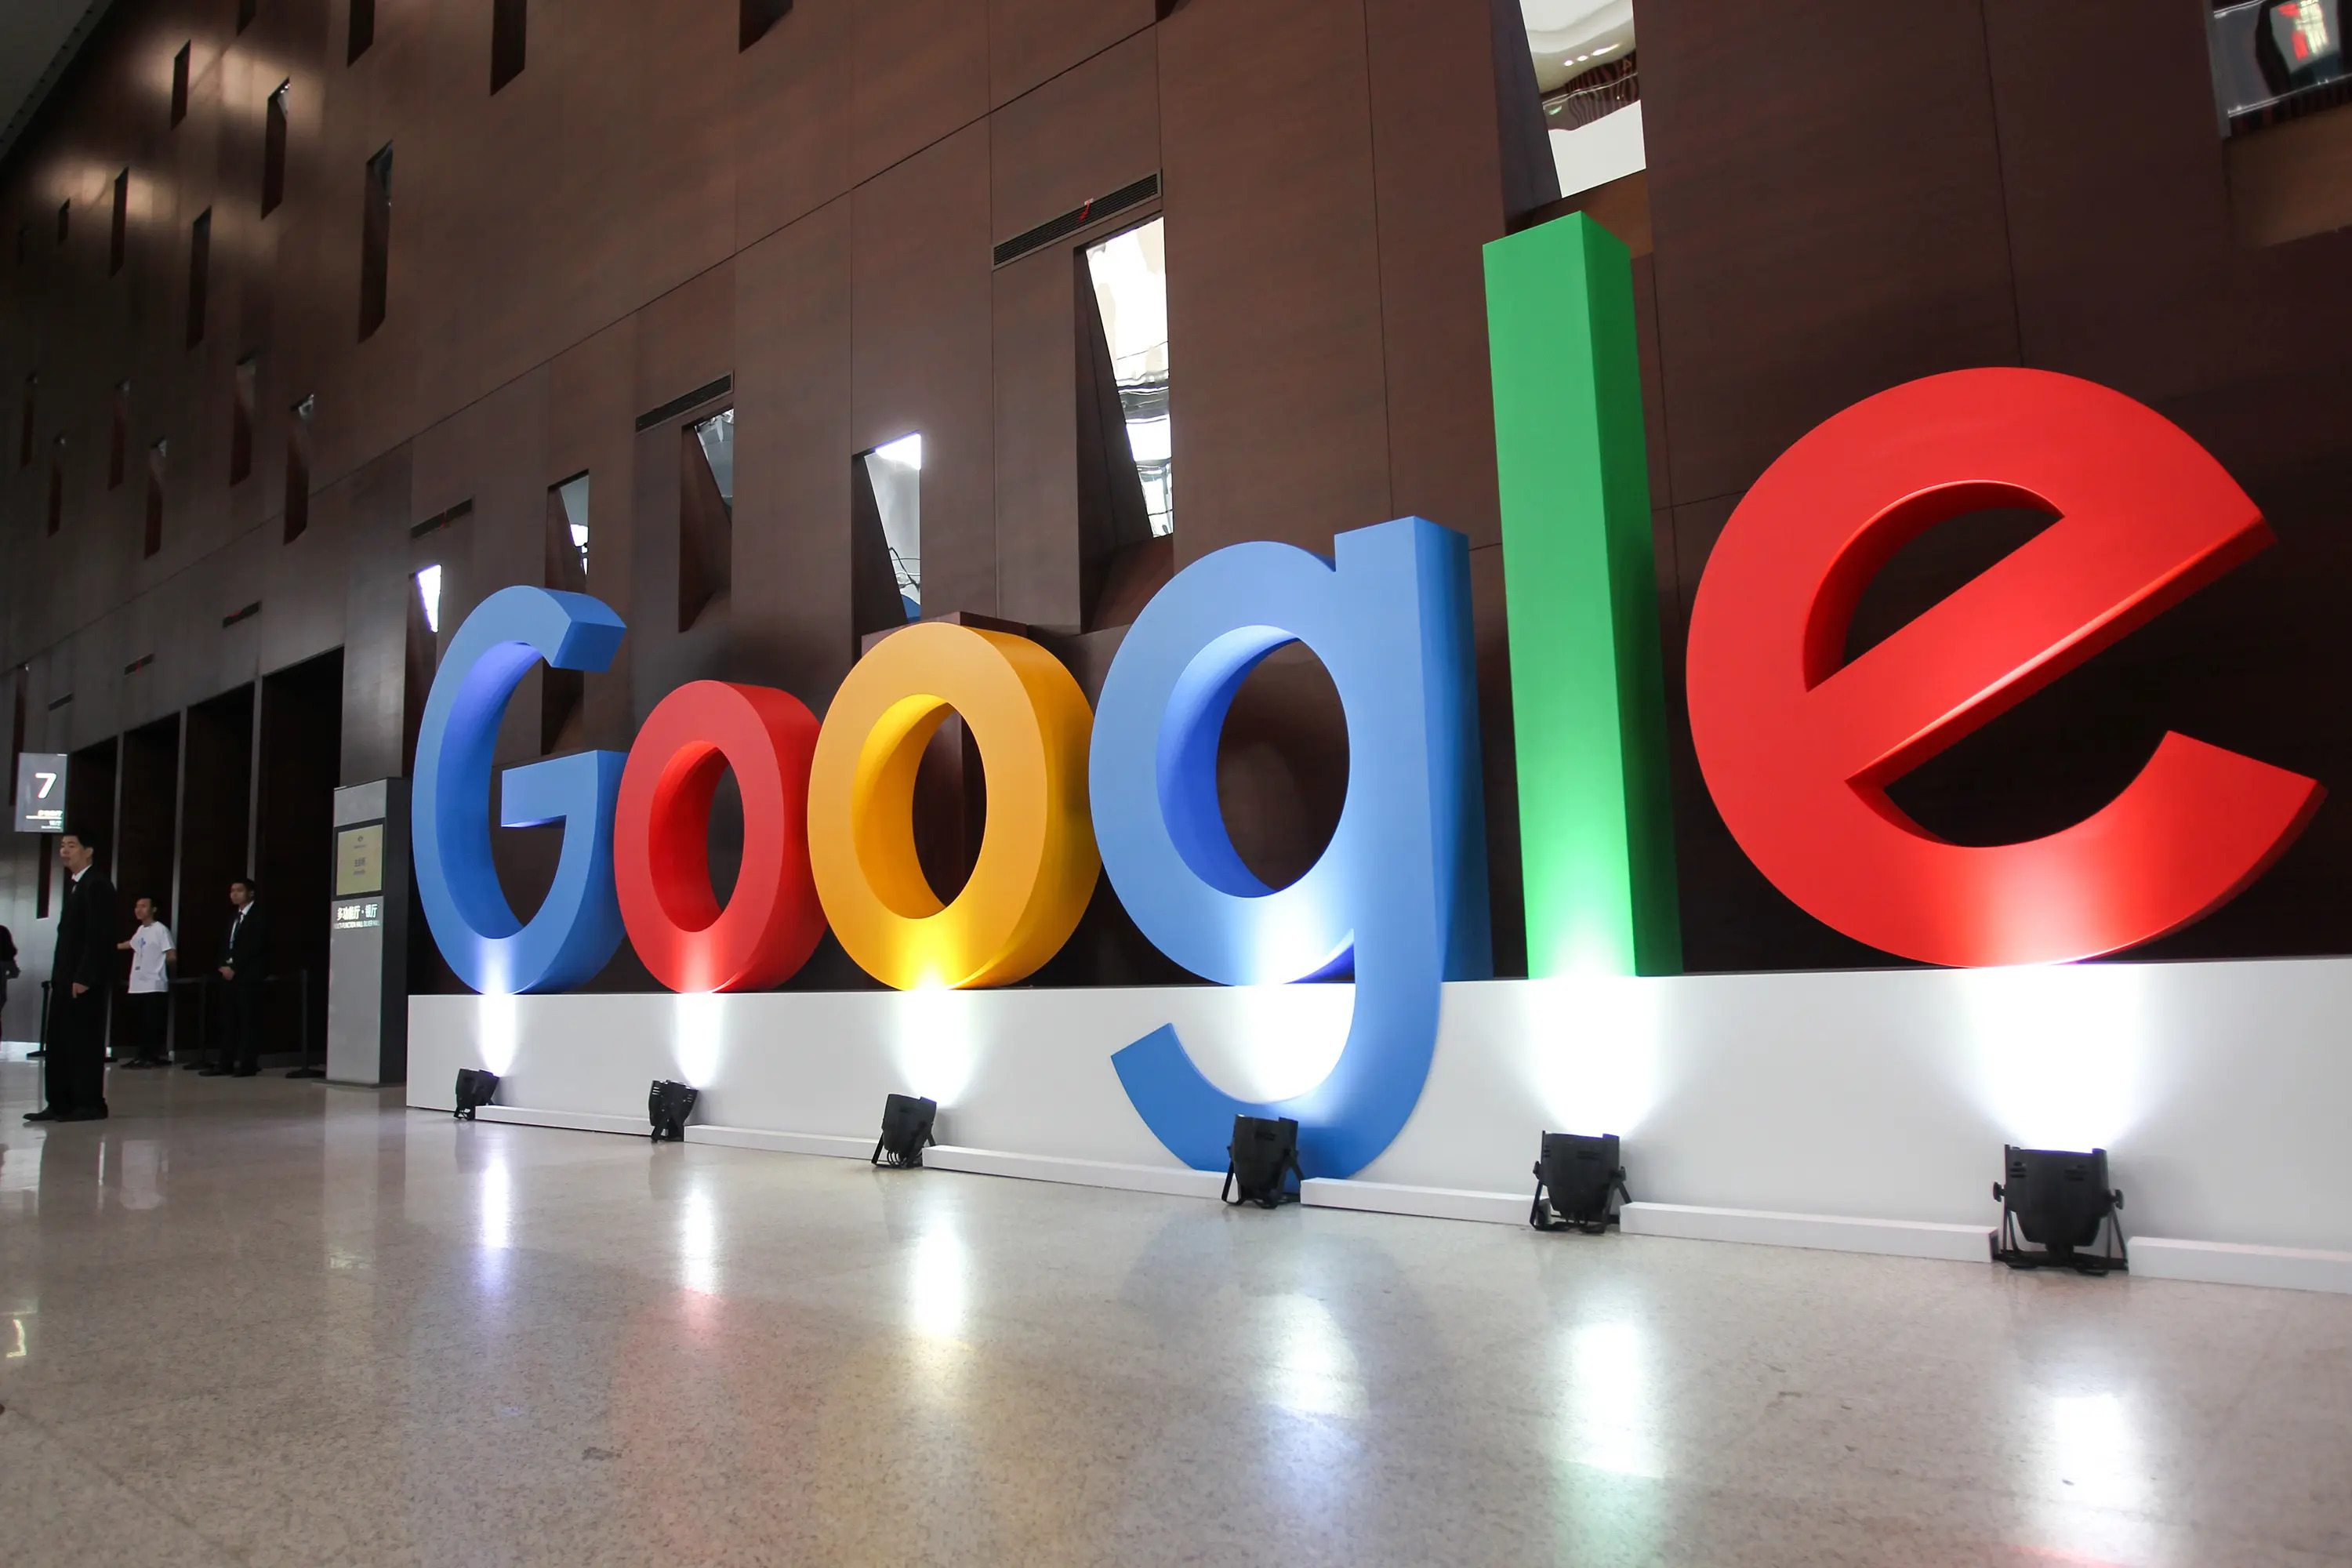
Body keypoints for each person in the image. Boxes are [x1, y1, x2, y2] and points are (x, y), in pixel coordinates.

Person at [26, 829, 115, 1123]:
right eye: (62, 845)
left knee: (83, 1042)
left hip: (83, 980)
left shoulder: (98, 885)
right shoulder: (76, 884)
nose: (65, 851)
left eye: (72, 846)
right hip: (65, 978)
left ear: (88, 851)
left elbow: (98, 937)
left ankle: (88, 1103)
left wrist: (85, 976)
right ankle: (60, 1102)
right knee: (61, 1041)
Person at [202, 877, 269, 1078]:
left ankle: (248, 1064)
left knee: (248, 1021)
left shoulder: (260, 915)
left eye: (239, 890)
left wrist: (236, 967)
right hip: (228, 976)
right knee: (228, 1021)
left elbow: (255, 945)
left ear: (251, 893)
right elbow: (225, 944)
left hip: (248, 975)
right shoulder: (233, 917)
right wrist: (222, 965)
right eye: (232, 891)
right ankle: (225, 1063)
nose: (234, 894)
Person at [115, 897, 175, 1069]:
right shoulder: (141, 930)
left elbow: (170, 952)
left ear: (153, 909)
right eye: (137, 906)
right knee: (140, 1024)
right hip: (138, 985)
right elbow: (132, 944)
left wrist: (167, 968)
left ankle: (150, 1056)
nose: (139, 910)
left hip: (154, 984)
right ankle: (142, 1055)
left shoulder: (160, 929)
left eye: (143, 906)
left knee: (152, 1023)